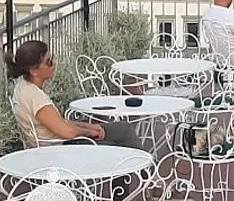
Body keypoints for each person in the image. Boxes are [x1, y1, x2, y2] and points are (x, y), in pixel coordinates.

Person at [8, 39, 143, 149]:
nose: (53, 64)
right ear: (34, 71)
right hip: (59, 149)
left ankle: (145, 169)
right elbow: (68, 132)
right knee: (119, 150)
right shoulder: (35, 97)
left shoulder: (22, 87)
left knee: (123, 128)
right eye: (49, 62)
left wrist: (90, 127)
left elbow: (60, 124)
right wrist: (90, 132)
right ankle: (145, 173)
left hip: (59, 142)